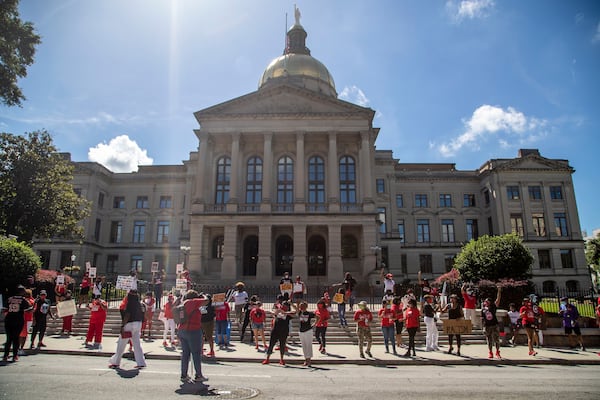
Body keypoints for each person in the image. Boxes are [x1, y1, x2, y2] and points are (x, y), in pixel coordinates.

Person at [177, 290, 209, 383]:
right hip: (193, 330)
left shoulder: (184, 303)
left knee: (185, 354)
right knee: (196, 353)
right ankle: (198, 375)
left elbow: (202, 310)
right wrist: (203, 295)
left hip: (182, 330)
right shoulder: (193, 302)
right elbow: (206, 300)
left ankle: (184, 375)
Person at [108, 289, 146, 369]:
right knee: (137, 344)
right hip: (138, 323)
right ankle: (141, 362)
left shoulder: (129, 303)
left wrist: (123, 326)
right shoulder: (140, 304)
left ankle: (116, 362)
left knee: (121, 344)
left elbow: (127, 315)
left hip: (129, 324)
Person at [3, 285, 32, 362]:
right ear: (22, 292)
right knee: (16, 338)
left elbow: (4, 310)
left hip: (8, 319)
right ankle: (15, 355)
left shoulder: (9, 299)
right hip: (18, 320)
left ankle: (5, 355)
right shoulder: (23, 300)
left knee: (9, 338)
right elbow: (28, 310)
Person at [262, 295, 294, 365]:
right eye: (283, 305)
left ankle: (281, 359)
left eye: (286, 306)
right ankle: (267, 358)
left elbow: (295, 313)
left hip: (284, 331)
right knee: (271, 344)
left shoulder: (288, 314)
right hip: (275, 330)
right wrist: (278, 311)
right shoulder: (278, 311)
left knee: (282, 345)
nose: (284, 307)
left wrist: (285, 311)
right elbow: (272, 312)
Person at [481, 286, 502, 359]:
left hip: (494, 324)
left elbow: (498, 300)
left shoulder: (493, 307)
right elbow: (482, 318)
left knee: (496, 339)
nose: (486, 302)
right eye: (485, 301)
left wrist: (499, 291)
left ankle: (497, 351)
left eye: (487, 301)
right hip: (487, 325)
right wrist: (483, 327)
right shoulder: (483, 309)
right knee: (489, 339)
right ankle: (490, 352)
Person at [297, 301, 315, 366]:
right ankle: (306, 359)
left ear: (306, 307)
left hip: (308, 331)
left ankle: (309, 360)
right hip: (301, 331)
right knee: (304, 346)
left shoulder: (309, 313)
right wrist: (291, 303)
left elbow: (318, 317)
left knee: (308, 345)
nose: (301, 308)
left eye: (302, 306)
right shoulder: (299, 313)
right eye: (300, 307)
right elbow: (295, 309)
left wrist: (314, 324)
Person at [18, 289, 35, 356]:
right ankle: (21, 349)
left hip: (22, 318)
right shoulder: (31, 301)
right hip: (28, 319)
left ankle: (19, 348)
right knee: (24, 335)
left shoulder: (23, 300)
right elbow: (33, 310)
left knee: (20, 334)